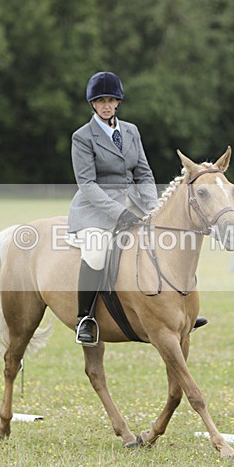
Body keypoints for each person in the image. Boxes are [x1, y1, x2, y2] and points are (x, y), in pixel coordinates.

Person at [67, 72, 158, 345]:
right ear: (92, 104)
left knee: (167, 241)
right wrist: (120, 214)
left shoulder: (131, 131)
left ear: (118, 102)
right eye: (100, 101)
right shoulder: (82, 137)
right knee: (96, 253)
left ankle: (179, 308)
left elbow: (144, 172)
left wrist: (154, 206)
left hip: (133, 204)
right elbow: (88, 184)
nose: (106, 105)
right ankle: (85, 318)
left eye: (111, 100)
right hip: (95, 210)